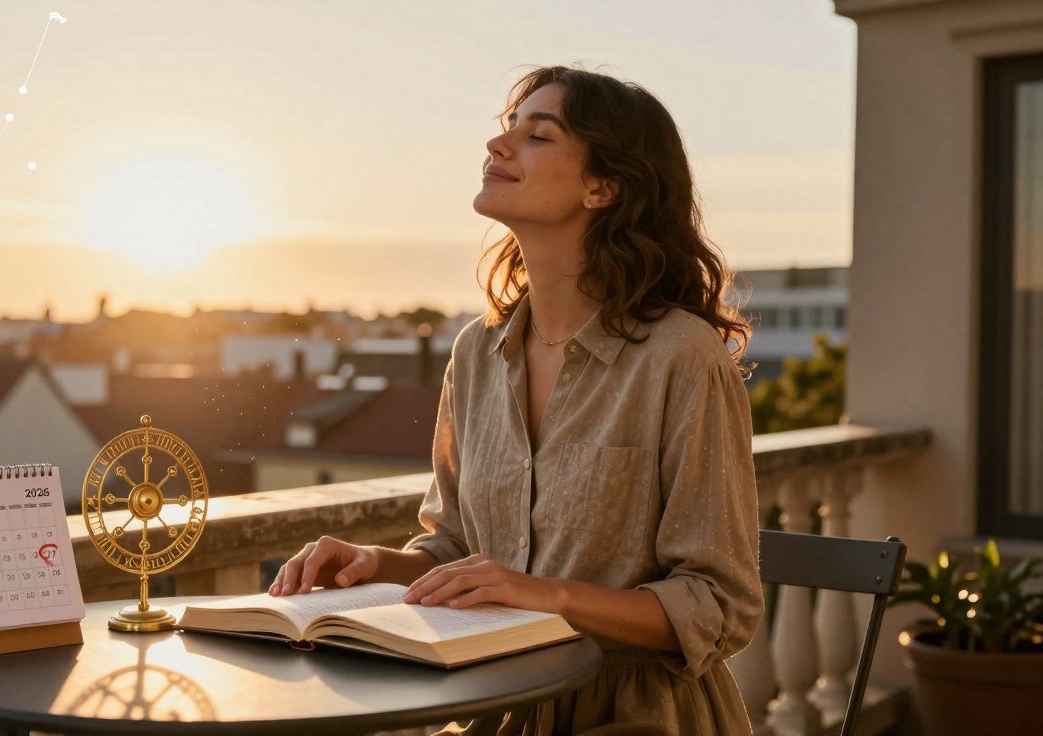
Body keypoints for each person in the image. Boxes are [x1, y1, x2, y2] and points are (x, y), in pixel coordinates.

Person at [268, 64, 763, 736]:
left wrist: (549, 597)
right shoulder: (476, 354)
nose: (497, 147)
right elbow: (458, 550)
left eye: (538, 136)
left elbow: (720, 604)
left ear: (604, 186)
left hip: (634, 713)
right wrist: (377, 563)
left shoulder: (681, 356)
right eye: (506, 130)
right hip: (489, 708)